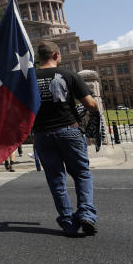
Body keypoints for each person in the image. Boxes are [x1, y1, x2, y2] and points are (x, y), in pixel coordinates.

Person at [32, 41, 99, 237]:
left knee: (55, 179)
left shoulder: (29, 78)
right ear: (56, 55)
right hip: (68, 130)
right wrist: (93, 102)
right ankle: (86, 213)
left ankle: (68, 222)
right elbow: (90, 105)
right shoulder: (69, 75)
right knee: (81, 174)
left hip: (42, 134)